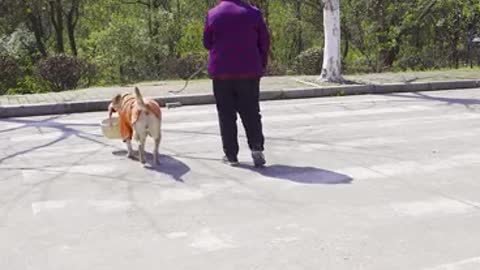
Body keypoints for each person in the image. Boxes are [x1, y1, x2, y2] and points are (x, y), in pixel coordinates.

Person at [203, 0, 270, 167]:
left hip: (221, 73)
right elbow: (264, 41)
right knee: (251, 112)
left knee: (226, 115)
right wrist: (260, 63)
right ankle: (256, 148)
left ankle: (231, 155)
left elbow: (206, 42)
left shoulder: (213, 14)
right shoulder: (254, 13)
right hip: (249, 71)